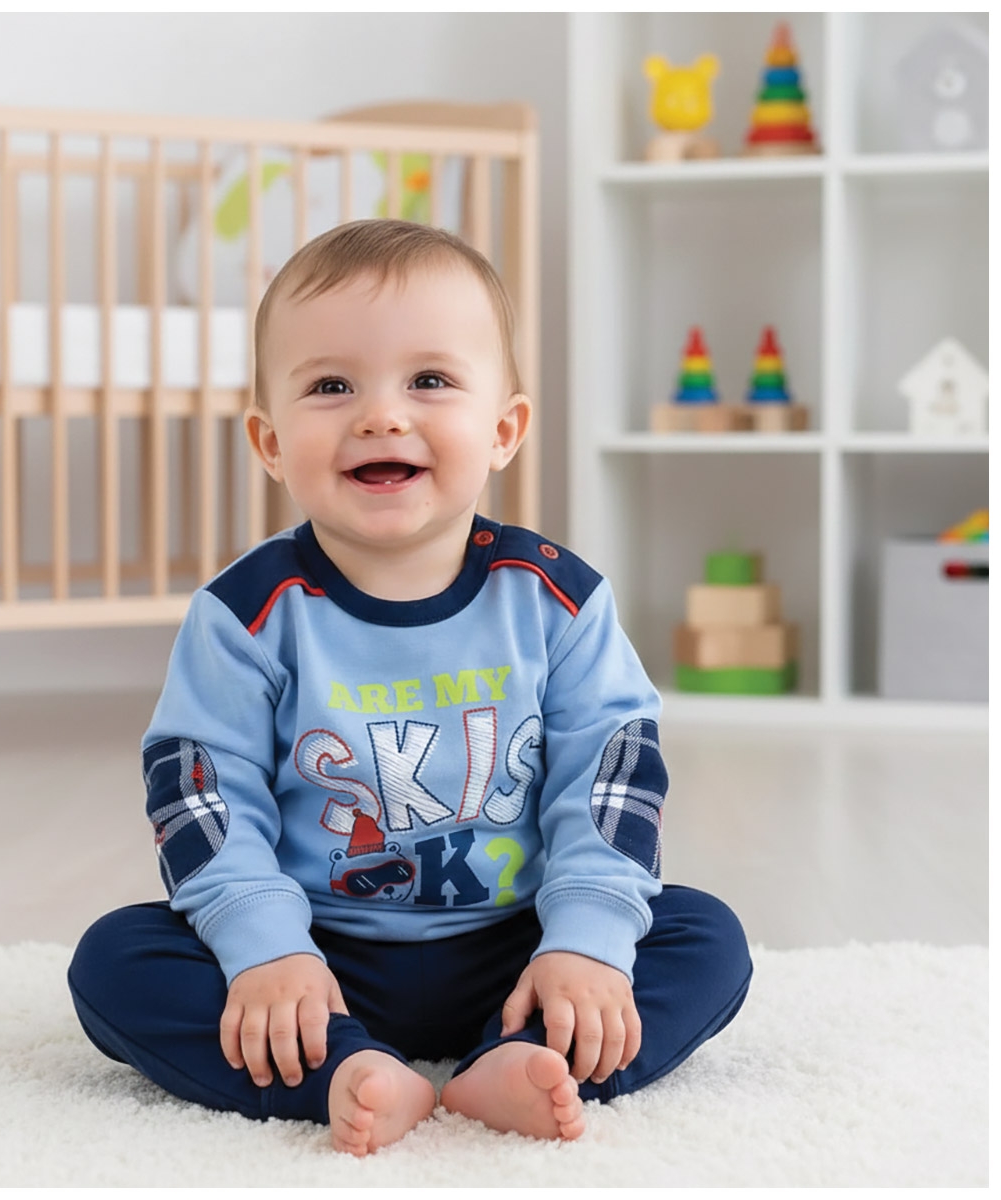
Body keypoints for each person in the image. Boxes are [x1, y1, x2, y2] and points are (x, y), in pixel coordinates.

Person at [68, 218, 751, 1156]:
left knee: (704, 939)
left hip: (518, 940)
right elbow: (202, 792)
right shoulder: (247, 615)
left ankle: (518, 1057)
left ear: (503, 430)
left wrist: (584, 941)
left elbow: (610, 777)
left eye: (429, 380)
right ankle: (346, 1071)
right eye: (331, 386)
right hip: (318, 951)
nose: (381, 416)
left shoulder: (557, 601)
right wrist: (266, 948)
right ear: (270, 441)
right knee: (116, 962)